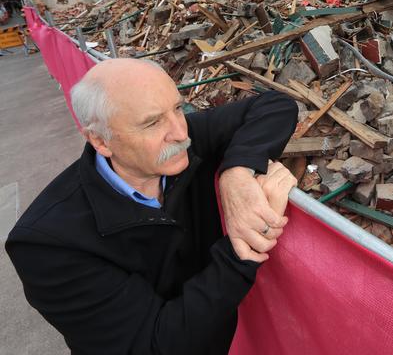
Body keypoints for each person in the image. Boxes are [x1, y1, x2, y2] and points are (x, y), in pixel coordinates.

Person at [5, 58, 298, 354]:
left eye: (178, 108)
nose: (180, 133)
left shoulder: (177, 146)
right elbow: (155, 346)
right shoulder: (47, 246)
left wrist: (236, 174)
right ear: (100, 140)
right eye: (152, 122)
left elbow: (275, 106)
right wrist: (243, 247)